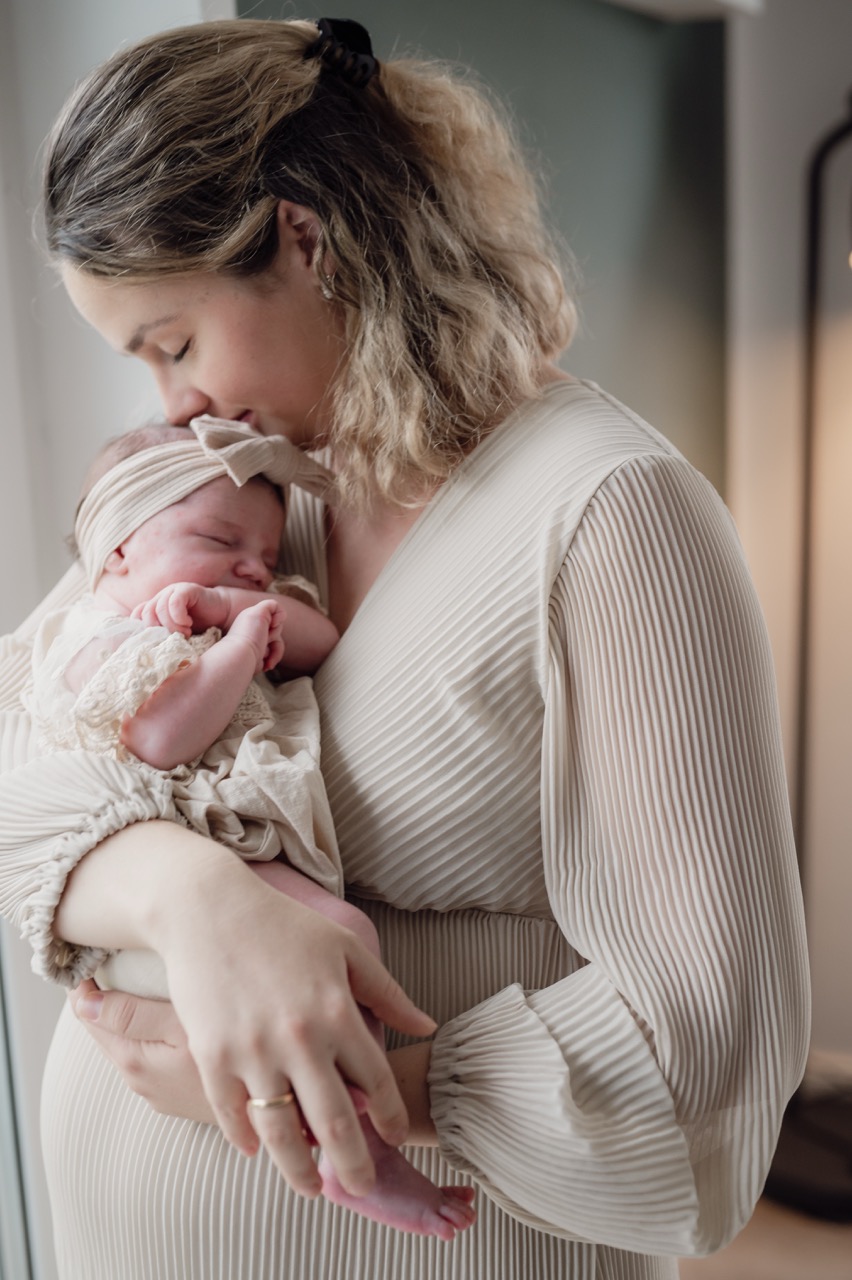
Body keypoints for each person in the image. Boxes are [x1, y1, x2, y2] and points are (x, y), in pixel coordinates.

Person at [0, 15, 809, 1280]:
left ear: (307, 241)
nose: (173, 407)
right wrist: (194, 899)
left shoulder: (610, 517)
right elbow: (26, 750)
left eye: (175, 343)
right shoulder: (244, 497)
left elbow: (707, 1041)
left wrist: (361, 1088)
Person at [23, 413, 476, 1241]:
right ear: (118, 551)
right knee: (336, 935)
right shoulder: (98, 636)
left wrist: (240, 604)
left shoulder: (227, 608)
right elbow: (161, 736)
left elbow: (321, 638)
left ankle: (358, 1133)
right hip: (177, 844)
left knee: (334, 942)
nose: (250, 564)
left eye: (267, 556)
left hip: (221, 848)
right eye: (218, 538)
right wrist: (233, 646)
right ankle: (356, 1152)